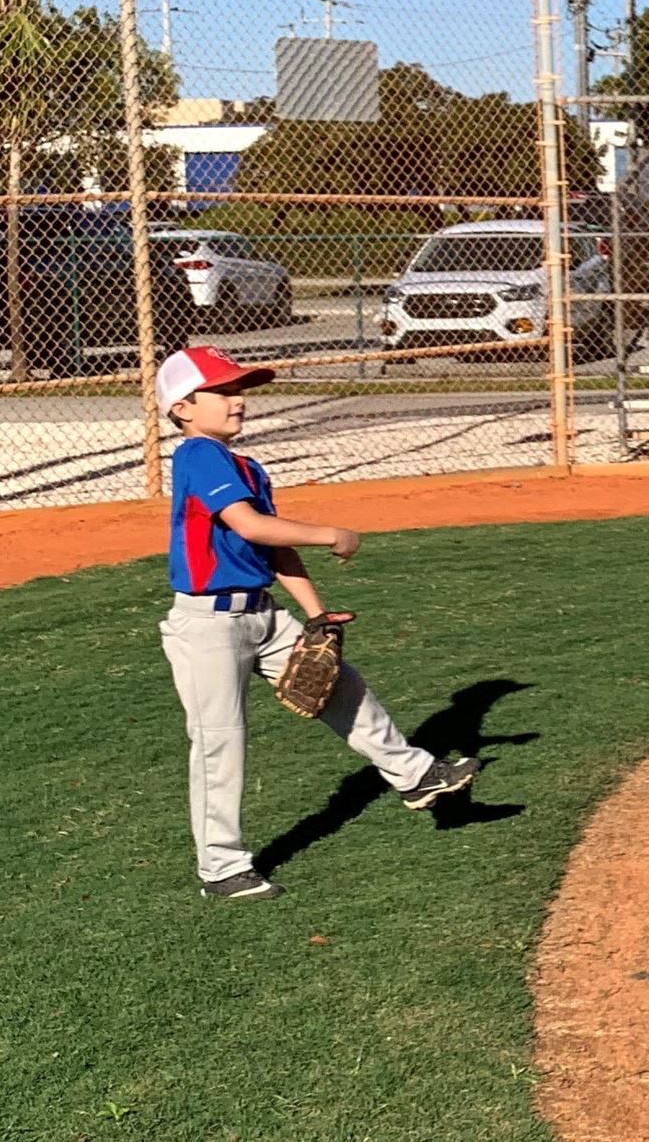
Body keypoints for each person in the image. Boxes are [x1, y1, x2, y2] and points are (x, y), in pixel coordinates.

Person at [156, 345, 479, 899]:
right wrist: (332, 533)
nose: (237, 401)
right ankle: (222, 868)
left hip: (263, 615)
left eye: (241, 391)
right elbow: (251, 528)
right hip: (208, 626)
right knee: (220, 744)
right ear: (183, 408)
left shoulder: (246, 467)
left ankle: (416, 776)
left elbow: (274, 549)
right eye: (224, 391)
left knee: (342, 688)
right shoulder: (196, 455)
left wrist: (315, 614)